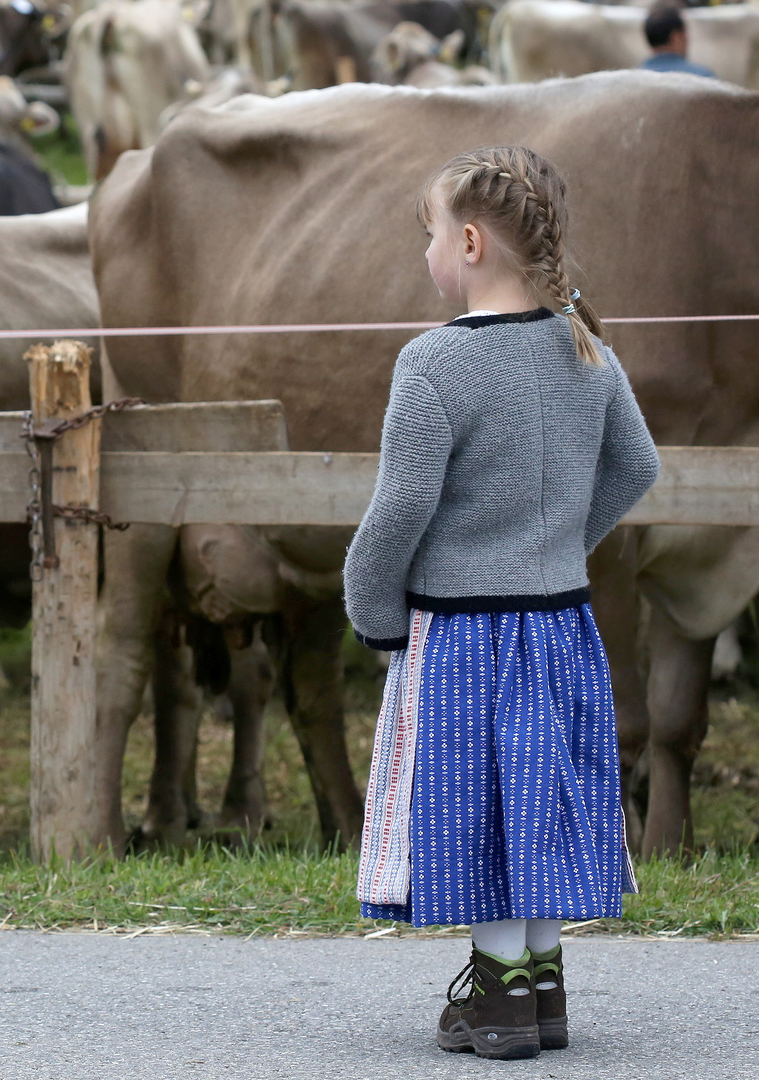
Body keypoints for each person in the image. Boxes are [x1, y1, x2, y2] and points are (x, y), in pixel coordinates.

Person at [342, 146, 659, 1061]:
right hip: (559, 624)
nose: (428, 254)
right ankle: (542, 987)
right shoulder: (586, 348)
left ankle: (497, 1001)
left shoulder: (433, 363)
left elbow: (400, 505)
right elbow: (635, 467)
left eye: (431, 235)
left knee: (477, 808)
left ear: (470, 242)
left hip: (464, 637)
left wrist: (374, 605)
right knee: (539, 802)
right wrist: (556, 546)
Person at [641, 3, 718, 78]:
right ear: (676, 37)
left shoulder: (636, 78)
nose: (688, 39)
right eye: (685, 34)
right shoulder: (703, 77)